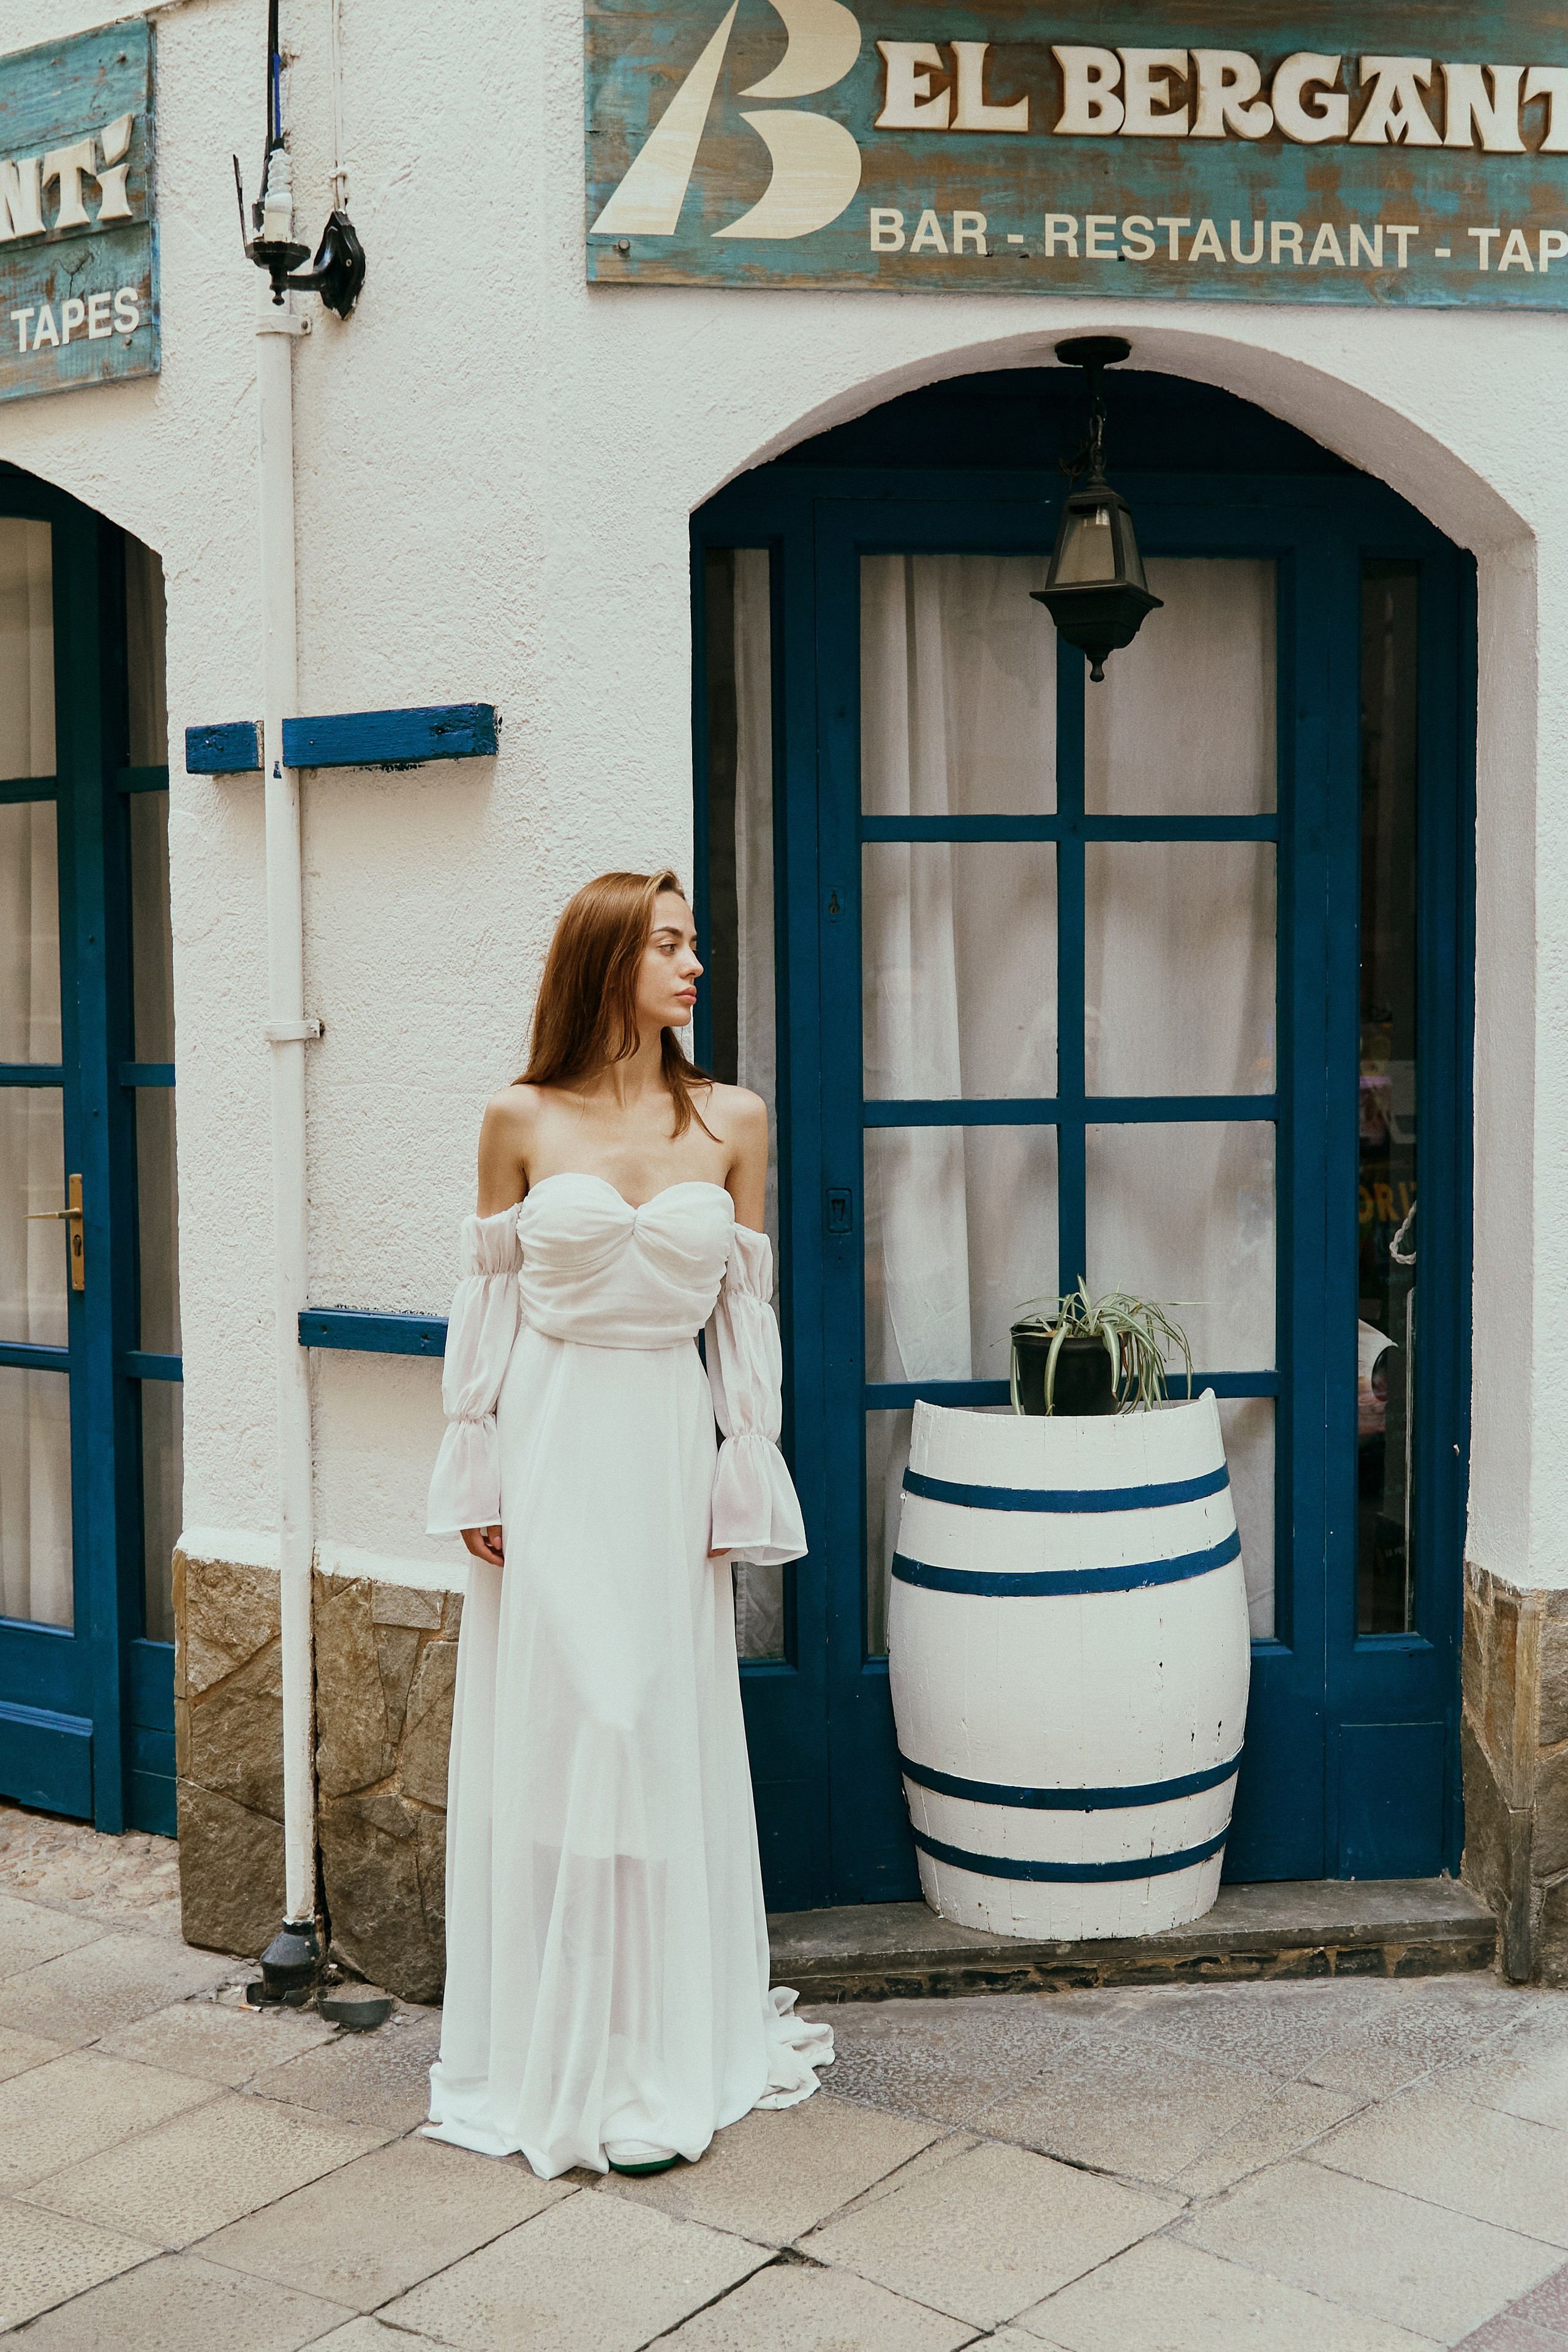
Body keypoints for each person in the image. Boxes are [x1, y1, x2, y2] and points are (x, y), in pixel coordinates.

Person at [423, 869, 832, 2180]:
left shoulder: (731, 1120)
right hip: (549, 1447)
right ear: (606, 962)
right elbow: (484, 1305)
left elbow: (742, 1317)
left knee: (652, 1724)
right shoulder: (516, 1118)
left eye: (693, 941)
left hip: (662, 1447)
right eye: (666, 943)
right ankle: (567, 2042)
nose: (691, 962)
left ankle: (660, 2053)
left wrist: (742, 1458)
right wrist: (472, 1460)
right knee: (574, 1721)